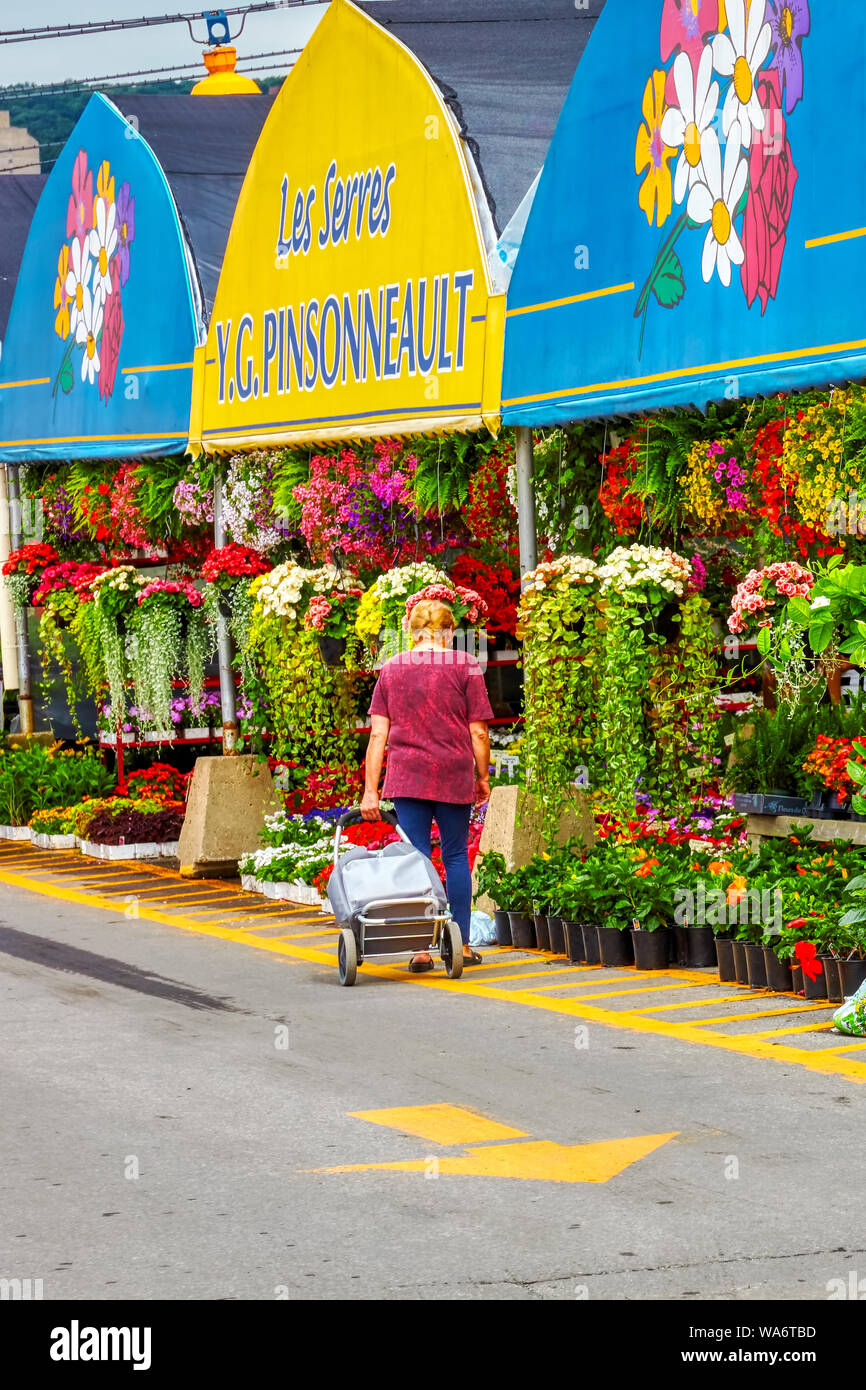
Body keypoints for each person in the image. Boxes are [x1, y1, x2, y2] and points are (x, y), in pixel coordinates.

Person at [360, 598, 493, 971]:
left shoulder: (392, 669)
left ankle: (420, 949)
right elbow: (479, 732)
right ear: (449, 632)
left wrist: (371, 790)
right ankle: (462, 945)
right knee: (454, 856)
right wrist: (482, 777)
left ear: (411, 632)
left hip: (407, 776)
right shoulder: (465, 665)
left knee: (416, 858)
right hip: (453, 774)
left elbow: (378, 736)